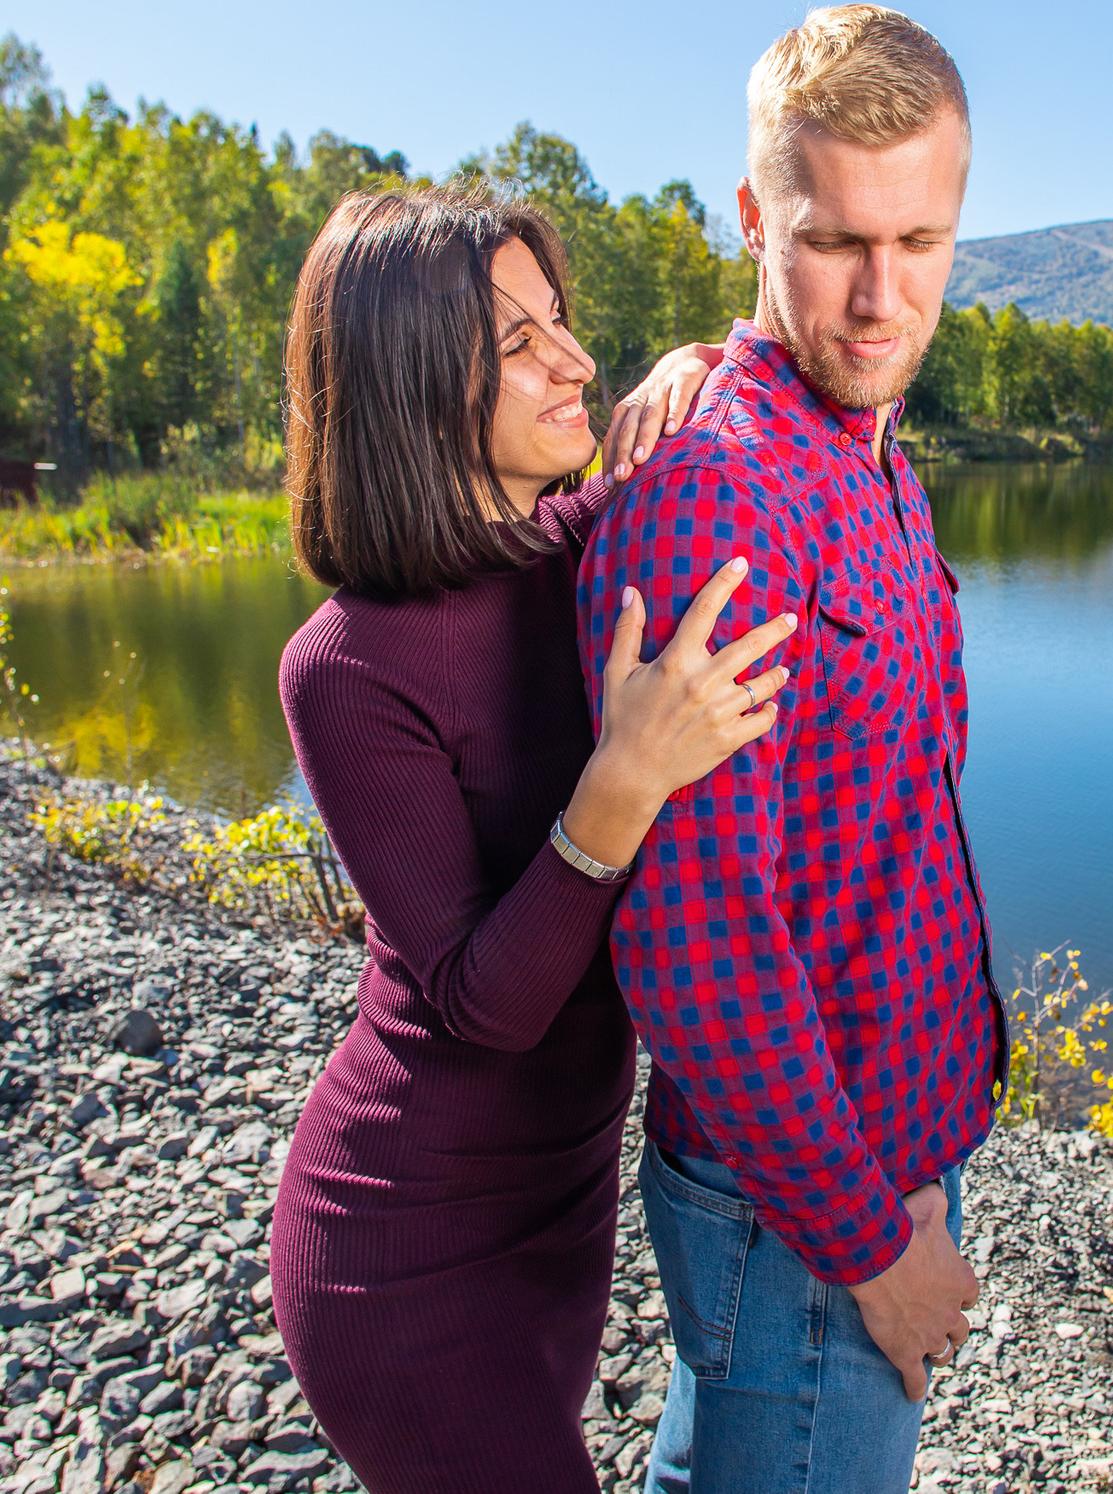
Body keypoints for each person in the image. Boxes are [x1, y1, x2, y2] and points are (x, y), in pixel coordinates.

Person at [267, 188, 798, 1493]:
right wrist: (622, 782)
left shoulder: (588, 545)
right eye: (518, 344)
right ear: (406, 386)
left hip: (562, 1213)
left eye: (560, 320)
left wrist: (700, 368)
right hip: (404, 1249)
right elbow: (474, 1004)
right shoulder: (344, 668)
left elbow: (673, 447)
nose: (574, 359)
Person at [576, 4, 1003, 1494]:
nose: (883, 298)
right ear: (754, 217)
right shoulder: (726, 504)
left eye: (923, 242)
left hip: (873, 1142)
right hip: (807, 1196)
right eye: (833, 244)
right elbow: (696, 949)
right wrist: (874, 1248)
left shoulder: (867, 456)